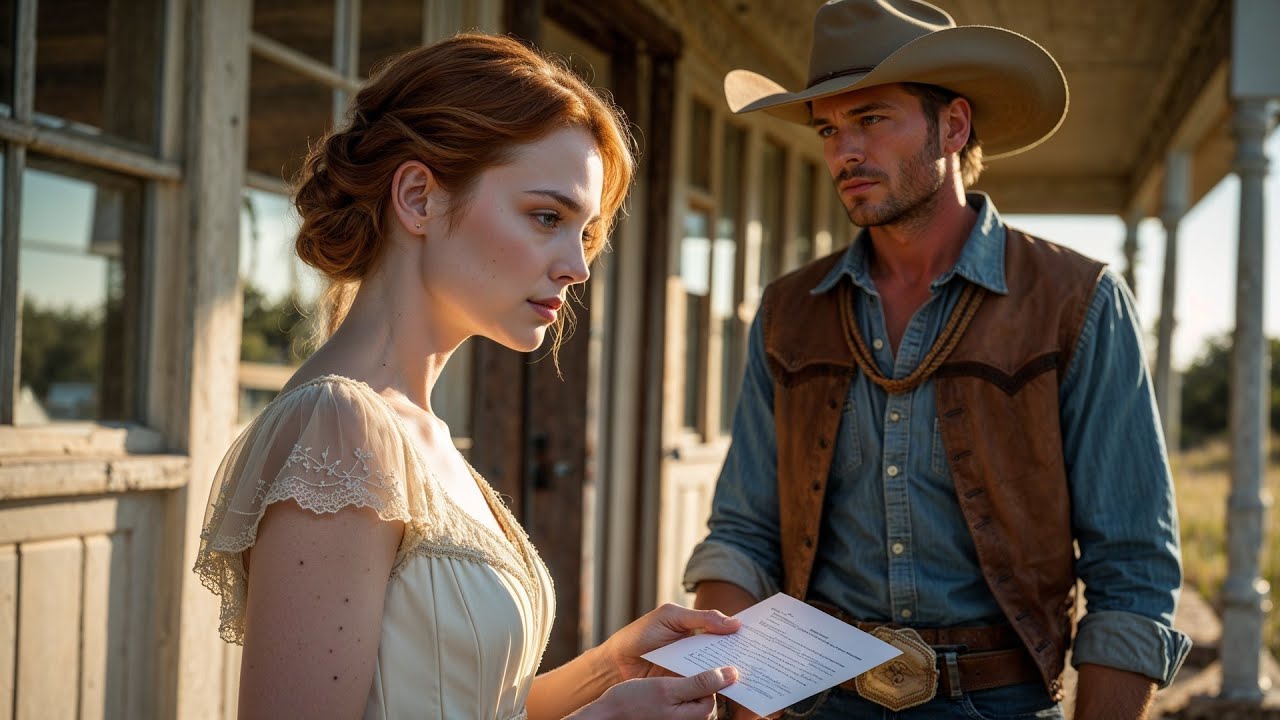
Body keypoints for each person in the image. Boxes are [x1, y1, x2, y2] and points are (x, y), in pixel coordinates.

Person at [195, 33, 739, 720]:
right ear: (419, 198)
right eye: (547, 216)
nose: (579, 266)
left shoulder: (418, 431)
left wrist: (607, 670)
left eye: (585, 231)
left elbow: (472, 706)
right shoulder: (340, 426)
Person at [684, 1, 1192, 718]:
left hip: (1001, 700)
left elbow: (1133, 566)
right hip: (813, 698)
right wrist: (732, 694)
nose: (843, 152)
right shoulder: (789, 310)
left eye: (871, 118)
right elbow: (743, 532)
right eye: (829, 129)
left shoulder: (1075, 300)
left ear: (953, 126)